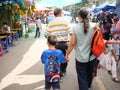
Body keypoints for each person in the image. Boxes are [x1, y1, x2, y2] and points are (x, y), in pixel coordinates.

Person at [65, 7, 96, 90]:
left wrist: (67, 54)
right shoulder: (95, 26)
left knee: (82, 77)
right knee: (89, 74)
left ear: (79, 17)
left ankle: (85, 87)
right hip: (92, 56)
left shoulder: (75, 28)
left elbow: (72, 43)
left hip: (80, 58)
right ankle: (88, 86)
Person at [46, 7, 70, 77]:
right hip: (64, 44)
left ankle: (58, 73)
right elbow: (70, 32)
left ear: (54, 14)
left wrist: (51, 39)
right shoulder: (65, 22)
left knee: (55, 59)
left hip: (54, 44)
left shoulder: (51, 23)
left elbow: (46, 34)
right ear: (60, 13)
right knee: (64, 57)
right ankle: (63, 70)